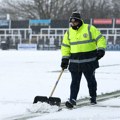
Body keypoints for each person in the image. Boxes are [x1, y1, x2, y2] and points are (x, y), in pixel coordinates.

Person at [61, 11, 106, 108]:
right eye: (71, 22)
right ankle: (72, 99)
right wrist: (65, 59)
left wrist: (101, 49)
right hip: (74, 62)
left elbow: (100, 39)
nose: (73, 24)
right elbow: (65, 47)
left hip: (89, 62)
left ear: (79, 21)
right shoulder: (68, 32)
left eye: (75, 22)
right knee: (74, 82)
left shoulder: (90, 28)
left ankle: (93, 97)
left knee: (91, 81)